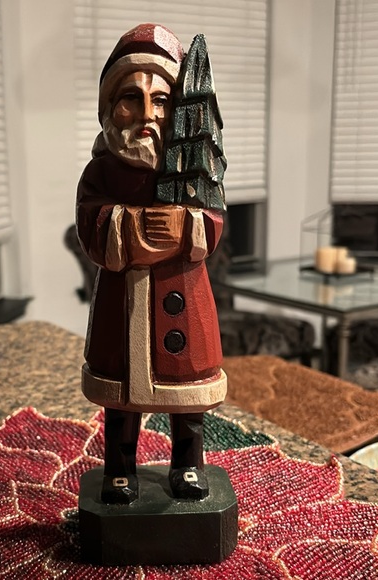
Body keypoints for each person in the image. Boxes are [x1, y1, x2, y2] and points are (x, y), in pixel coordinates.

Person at [76, 23, 227, 504]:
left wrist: (187, 227)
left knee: (186, 397)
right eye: (131, 99)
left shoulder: (193, 166)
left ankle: (188, 463)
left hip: (182, 299)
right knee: (121, 397)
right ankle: (120, 468)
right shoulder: (101, 172)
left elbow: (215, 219)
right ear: (108, 108)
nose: (147, 114)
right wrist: (132, 226)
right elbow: (90, 225)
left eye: (160, 100)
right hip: (122, 307)